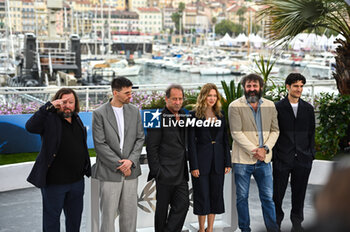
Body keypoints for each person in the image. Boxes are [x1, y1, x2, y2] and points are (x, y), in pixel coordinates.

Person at [25, 88, 91, 232]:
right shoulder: (49, 119)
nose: (67, 105)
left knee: (75, 221)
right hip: (54, 183)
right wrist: (48, 107)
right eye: (63, 102)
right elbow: (30, 127)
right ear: (57, 102)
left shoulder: (77, 119)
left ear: (76, 104)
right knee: (51, 222)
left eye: (71, 102)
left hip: (77, 182)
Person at [92, 77, 145, 232]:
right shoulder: (99, 113)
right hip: (110, 173)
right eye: (127, 93)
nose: (131, 96)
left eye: (131, 92)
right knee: (108, 217)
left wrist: (130, 162)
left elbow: (140, 138)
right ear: (115, 93)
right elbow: (100, 144)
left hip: (131, 172)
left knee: (130, 217)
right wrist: (120, 165)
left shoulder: (134, 111)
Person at [228, 74, 279, 232]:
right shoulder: (234, 106)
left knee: (268, 198)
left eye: (254, 86)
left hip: (264, 160)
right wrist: (255, 150)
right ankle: (245, 229)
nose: (251, 89)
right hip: (243, 160)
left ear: (261, 87)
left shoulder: (270, 105)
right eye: (248, 86)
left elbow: (275, 130)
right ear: (244, 87)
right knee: (242, 198)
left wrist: (265, 149)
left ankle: (272, 229)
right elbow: (236, 133)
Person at [272, 73, 315, 232]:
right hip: (282, 158)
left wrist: (311, 154)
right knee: (277, 194)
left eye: (301, 86)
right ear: (288, 87)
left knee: (300, 194)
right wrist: (275, 155)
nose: (299, 89)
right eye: (296, 86)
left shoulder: (308, 108)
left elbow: (311, 133)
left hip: (303, 159)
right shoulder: (277, 108)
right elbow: (272, 132)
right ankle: (276, 223)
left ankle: (297, 223)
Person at [188, 83, 232, 232]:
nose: (212, 98)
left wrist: (227, 162)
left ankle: (210, 228)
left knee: (215, 195)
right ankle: (201, 229)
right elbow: (191, 143)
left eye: (215, 96)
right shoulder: (193, 115)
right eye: (209, 95)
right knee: (202, 196)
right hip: (201, 162)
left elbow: (225, 140)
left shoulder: (221, 114)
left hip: (218, 162)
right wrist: (193, 165)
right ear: (203, 96)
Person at [146, 84, 190, 232]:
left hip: (181, 173)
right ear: (166, 99)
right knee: (162, 211)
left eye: (180, 99)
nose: (177, 102)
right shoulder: (157, 117)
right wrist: (158, 172)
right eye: (174, 99)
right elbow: (151, 148)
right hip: (164, 173)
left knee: (183, 205)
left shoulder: (184, 115)